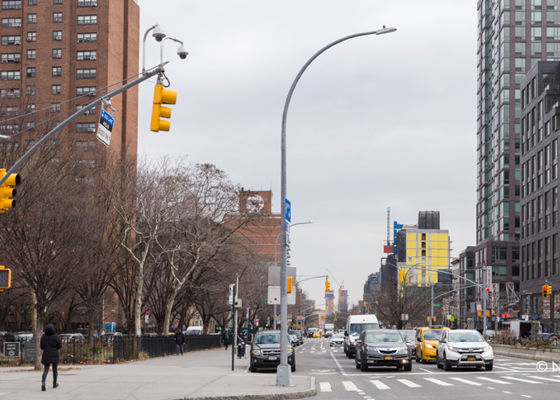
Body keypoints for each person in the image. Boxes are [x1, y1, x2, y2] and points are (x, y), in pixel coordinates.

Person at [40, 324, 62, 391]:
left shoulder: (43, 337)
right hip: (54, 354)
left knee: (46, 370)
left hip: (46, 354)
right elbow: (59, 346)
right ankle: (54, 383)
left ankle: (43, 382)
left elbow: (41, 347)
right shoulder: (56, 337)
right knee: (55, 370)